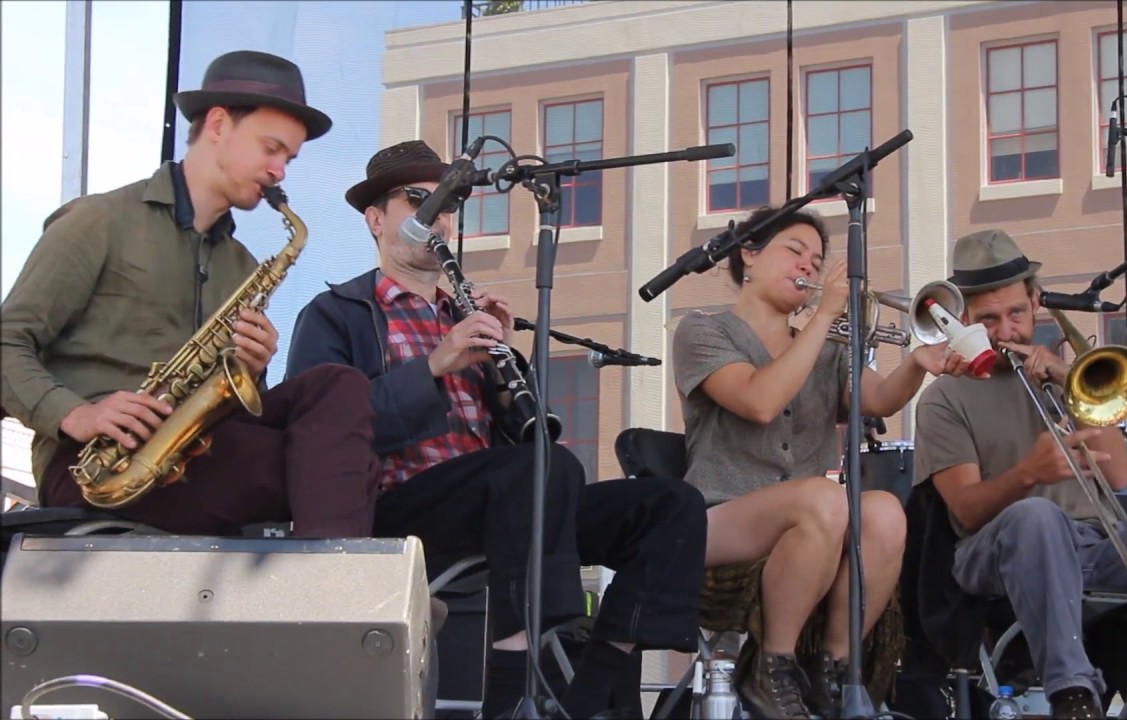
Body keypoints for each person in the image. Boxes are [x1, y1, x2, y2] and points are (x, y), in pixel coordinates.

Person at [284, 140, 707, 718]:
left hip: (503, 503)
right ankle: (512, 685)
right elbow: (319, 437)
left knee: (668, 505)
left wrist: (510, 363)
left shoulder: (466, 315)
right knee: (540, 470)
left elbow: (528, 438)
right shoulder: (336, 314)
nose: (439, 218)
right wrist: (434, 365)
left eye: (448, 205)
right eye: (419, 202)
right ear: (376, 219)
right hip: (398, 507)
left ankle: (597, 685)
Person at [0, 50, 380, 538]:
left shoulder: (242, 264)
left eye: (288, 158)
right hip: (100, 464)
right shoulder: (100, 221)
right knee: (340, 473)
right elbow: (7, 343)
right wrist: (77, 414)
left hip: (197, 451)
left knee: (337, 386)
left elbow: (229, 401)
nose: (280, 171)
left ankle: (334, 570)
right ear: (218, 123)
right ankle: (342, 584)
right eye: (271, 148)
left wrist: (254, 369)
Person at [912, 229, 1127, 720]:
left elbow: (1117, 477)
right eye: (989, 319)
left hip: (1093, 543)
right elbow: (966, 510)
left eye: (1016, 313)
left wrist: (1068, 383)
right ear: (964, 318)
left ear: (1035, 303)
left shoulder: (1067, 379)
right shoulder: (944, 398)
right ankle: (1073, 697)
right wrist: (1027, 473)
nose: (1007, 330)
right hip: (994, 548)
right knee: (1037, 516)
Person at [670, 207, 974, 719]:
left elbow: (875, 400)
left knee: (883, 512)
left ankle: (833, 669)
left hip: (813, 521)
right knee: (824, 497)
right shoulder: (703, 331)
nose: (808, 268)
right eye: (794, 252)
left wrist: (917, 365)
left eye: (816, 260)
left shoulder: (827, 346)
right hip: (719, 518)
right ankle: (773, 666)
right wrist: (825, 319)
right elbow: (759, 400)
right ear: (749, 253)